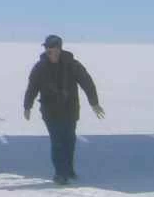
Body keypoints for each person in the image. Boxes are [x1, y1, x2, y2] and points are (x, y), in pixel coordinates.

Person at [23, 35, 105, 184]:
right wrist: (27, 106)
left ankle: (68, 169)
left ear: (58, 49)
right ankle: (60, 173)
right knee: (57, 141)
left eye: (51, 48)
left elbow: (87, 82)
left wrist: (94, 103)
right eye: (47, 48)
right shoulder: (40, 67)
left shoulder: (72, 65)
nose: (49, 51)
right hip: (50, 111)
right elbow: (32, 87)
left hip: (70, 109)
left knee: (69, 140)